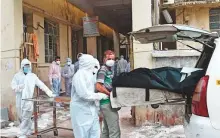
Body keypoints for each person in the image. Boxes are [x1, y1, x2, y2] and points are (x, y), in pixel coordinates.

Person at [11, 58, 55, 138]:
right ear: (22, 67)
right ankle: (28, 130)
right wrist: (20, 87)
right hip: (19, 100)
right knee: (22, 117)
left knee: (26, 117)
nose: (27, 68)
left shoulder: (32, 76)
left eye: (28, 66)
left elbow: (41, 85)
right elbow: (13, 87)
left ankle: (22, 133)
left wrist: (49, 92)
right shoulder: (17, 76)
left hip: (28, 100)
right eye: (25, 66)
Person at [70, 54, 108, 138]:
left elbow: (92, 91)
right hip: (81, 111)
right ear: (88, 63)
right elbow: (84, 95)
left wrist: (98, 108)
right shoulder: (79, 75)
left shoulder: (90, 75)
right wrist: (100, 96)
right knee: (82, 134)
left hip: (91, 110)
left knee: (95, 132)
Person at [96, 50, 121, 138]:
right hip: (106, 102)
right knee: (114, 130)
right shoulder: (103, 69)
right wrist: (109, 94)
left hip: (109, 102)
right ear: (104, 58)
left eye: (112, 58)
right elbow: (98, 86)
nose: (111, 60)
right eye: (108, 58)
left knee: (106, 130)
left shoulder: (110, 69)